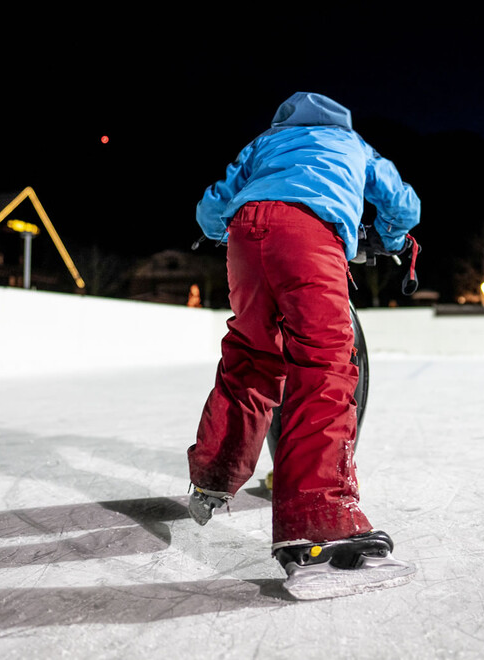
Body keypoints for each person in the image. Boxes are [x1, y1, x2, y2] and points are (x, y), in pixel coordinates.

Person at [185, 92, 421, 599]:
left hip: (248, 236)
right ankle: (319, 529)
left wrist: (217, 232)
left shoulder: (265, 143)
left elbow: (212, 204)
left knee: (251, 355)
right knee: (325, 366)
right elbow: (403, 204)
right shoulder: (352, 144)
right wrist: (392, 236)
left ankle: (214, 475)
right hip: (310, 237)